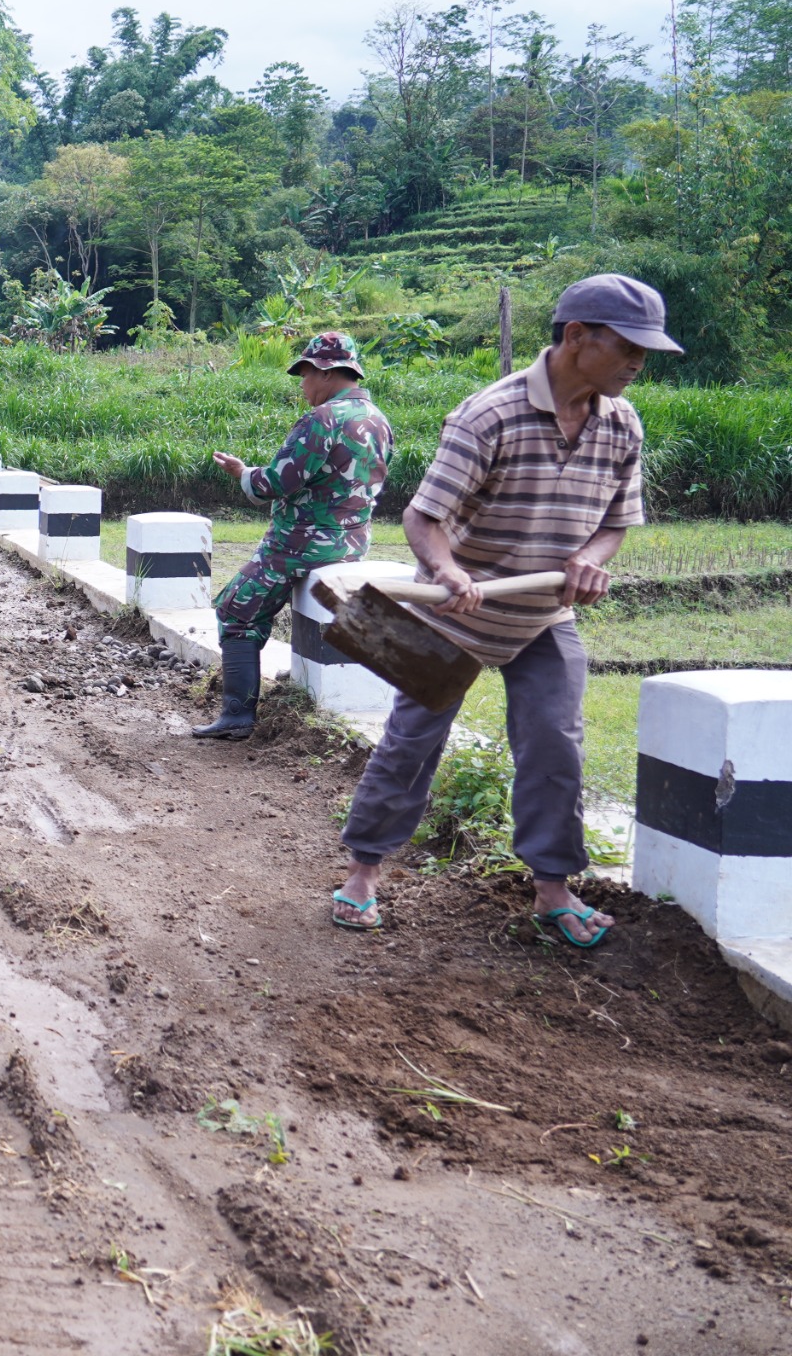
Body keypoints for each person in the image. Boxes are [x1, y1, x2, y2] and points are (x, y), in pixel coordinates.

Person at [330, 274, 671, 945]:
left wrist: (592, 560)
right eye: (629, 346)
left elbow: (615, 521)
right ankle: (361, 876)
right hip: (454, 610)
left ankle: (553, 889)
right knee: (411, 745)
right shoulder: (490, 414)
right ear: (577, 337)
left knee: (554, 742)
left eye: (646, 350)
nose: (639, 362)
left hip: (541, 614)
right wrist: (449, 569)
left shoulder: (622, 422)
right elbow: (424, 518)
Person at [193, 333, 394, 740]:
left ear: (324, 372)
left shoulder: (321, 420)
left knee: (236, 610)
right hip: (352, 541)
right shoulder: (378, 419)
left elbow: (276, 483)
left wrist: (243, 473)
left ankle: (236, 716)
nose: (302, 386)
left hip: (301, 543)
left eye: (304, 375)